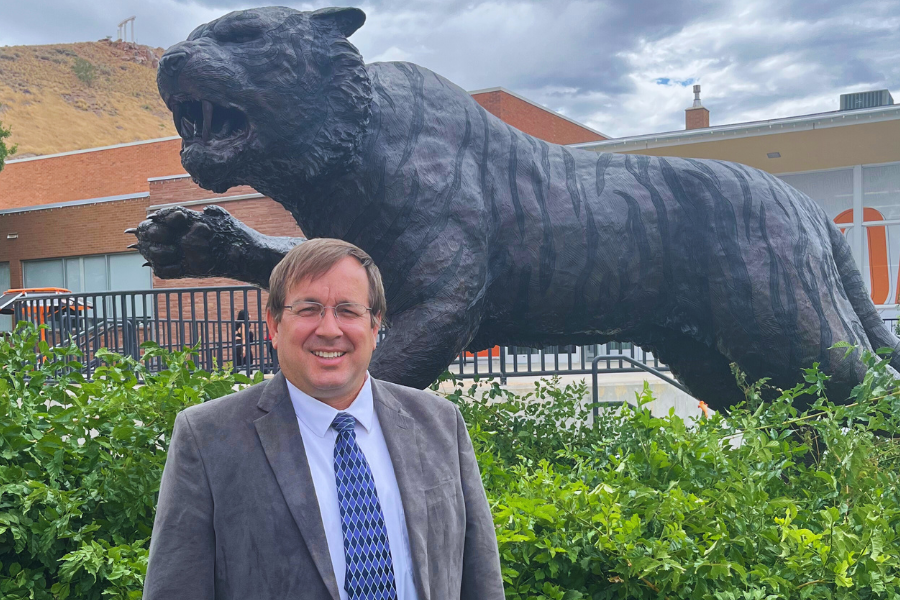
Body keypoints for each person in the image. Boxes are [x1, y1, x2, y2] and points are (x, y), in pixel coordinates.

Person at [144, 238, 504, 600]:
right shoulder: (207, 439)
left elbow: (481, 578)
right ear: (274, 324)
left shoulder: (440, 423)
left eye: (348, 310)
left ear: (374, 326)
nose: (330, 329)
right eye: (309, 309)